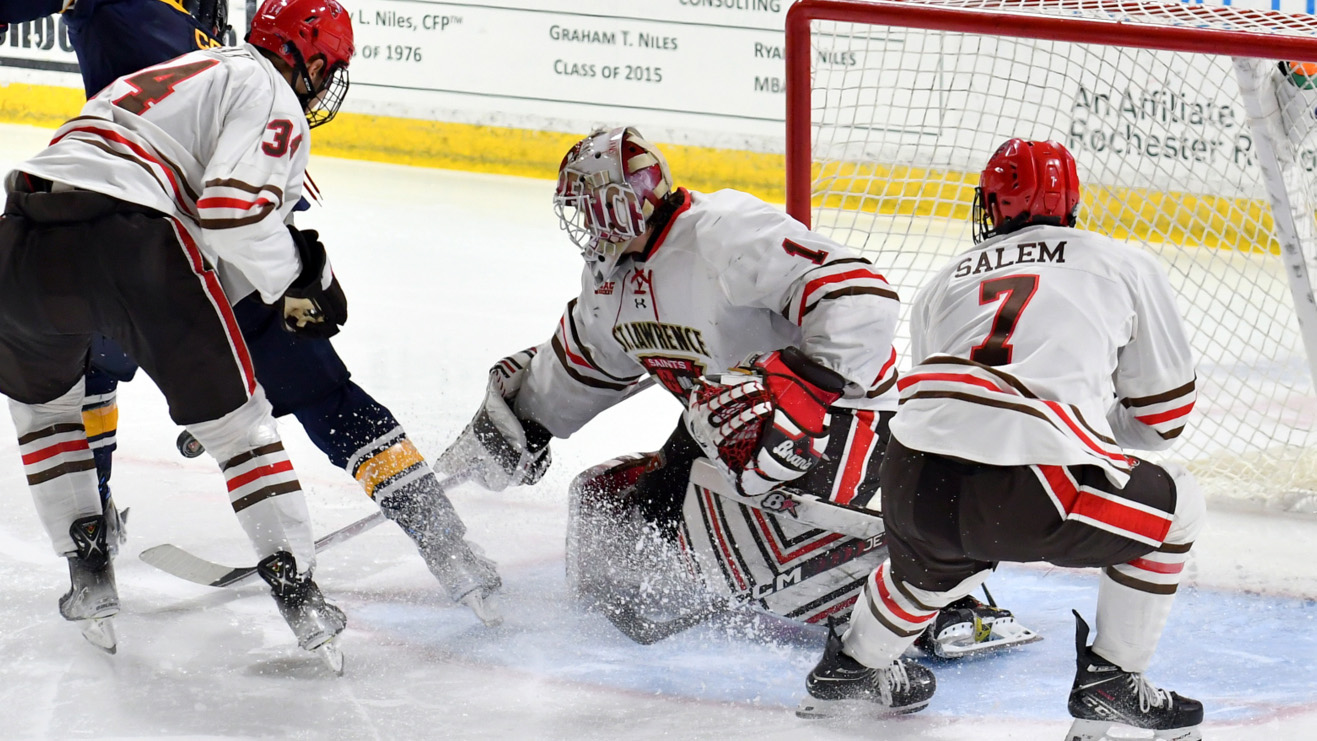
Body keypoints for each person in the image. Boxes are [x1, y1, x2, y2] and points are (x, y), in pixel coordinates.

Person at [436, 125, 1035, 656]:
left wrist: (798, 389)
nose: (585, 224)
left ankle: (949, 600)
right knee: (613, 511)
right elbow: (586, 364)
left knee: (781, 523)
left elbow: (861, 298)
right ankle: (755, 573)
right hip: (726, 427)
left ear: (629, 202)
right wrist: (519, 420)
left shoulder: (727, 232)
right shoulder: (609, 275)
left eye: (594, 207)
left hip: (842, 417)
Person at [1, 0, 503, 626]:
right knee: (312, 397)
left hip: (74, 224)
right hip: (166, 240)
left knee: (70, 388)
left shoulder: (213, 53)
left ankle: (90, 551)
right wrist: (300, 272)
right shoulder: (237, 66)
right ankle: (440, 545)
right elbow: (238, 208)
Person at [795, 138, 1206, 740]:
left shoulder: (943, 281)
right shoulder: (1121, 261)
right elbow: (1164, 419)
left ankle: (853, 668)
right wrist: (1088, 432)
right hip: (1029, 487)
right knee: (1178, 503)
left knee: (934, 562)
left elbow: (935, 405)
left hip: (909, 476)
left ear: (992, 204)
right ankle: (1112, 682)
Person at [0, 0, 358, 668]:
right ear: (305, 57)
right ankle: (300, 593)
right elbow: (231, 212)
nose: (324, 80)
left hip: (21, 229)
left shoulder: (186, 64)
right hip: (130, 238)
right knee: (239, 425)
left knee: (45, 410)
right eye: (327, 66)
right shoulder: (266, 86)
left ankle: (88, 574)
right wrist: (299, 278)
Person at [0, 0, 232, 555]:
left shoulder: (198, 34)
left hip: (134, 218)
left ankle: (93, 525)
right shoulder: (180, 28)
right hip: (151, 216)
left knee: (91, 365)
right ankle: (99, 511)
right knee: (98, 363)